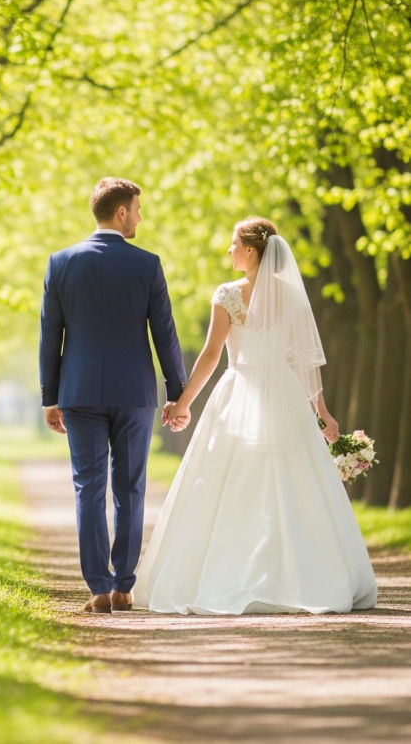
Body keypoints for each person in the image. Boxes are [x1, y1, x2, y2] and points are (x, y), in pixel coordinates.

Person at [133, 217, 377, 614]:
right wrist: (322, 413)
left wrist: (184, 403)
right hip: (285, 394)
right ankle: (303, 576)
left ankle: (231, 574)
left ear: (250, 251)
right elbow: (303, 364)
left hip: (239, 391)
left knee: (228, 480)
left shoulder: (228, 295)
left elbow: (212, 356)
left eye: (233, 244)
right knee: (292, 481)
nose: (229, 250)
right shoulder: (291, 298)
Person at [39, 177, 186, 614]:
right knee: (130, 488)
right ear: (121, 212)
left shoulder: (61, 262)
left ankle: (99, 589)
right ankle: (124, 585)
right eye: (137, 209)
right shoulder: (146, 264)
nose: (140, 217)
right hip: (133, 392)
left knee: (88, 488)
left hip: (79, 391)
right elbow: (166, 335)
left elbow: (51, 337)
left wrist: (50, 396)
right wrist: (177, 394)